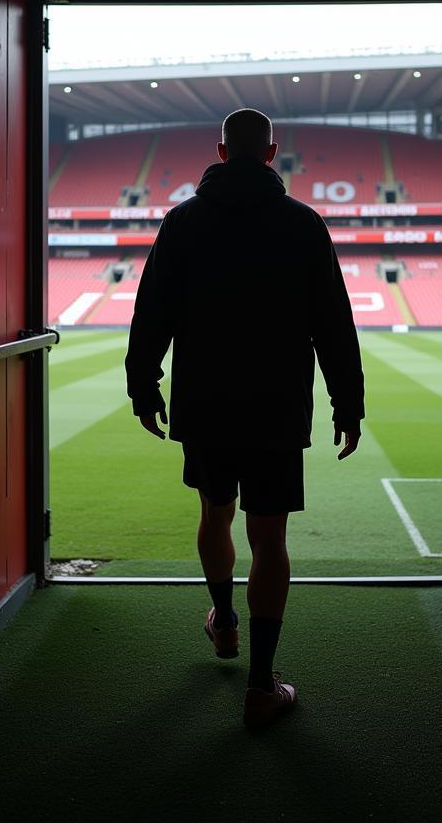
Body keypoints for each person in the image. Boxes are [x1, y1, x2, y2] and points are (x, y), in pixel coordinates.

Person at [125, 107, 364, 727]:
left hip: (205, 402)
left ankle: (224, 621)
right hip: (277, 405)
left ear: (222, 153)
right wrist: (348, 402)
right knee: (270, 538)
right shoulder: (303, 224)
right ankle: (261, 685)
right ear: (273, 153)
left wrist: (143, 383)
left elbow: (153, 310)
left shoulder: (183, 222)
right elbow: (333, 322)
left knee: (214, 513)